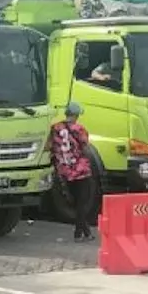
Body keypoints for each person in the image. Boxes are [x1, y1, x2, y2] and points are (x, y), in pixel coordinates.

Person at [49, 102, 96, 241]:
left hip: (64, 170)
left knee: (75, 202)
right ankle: (78, 233)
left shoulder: (55, 128)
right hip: (80, 170)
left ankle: (86, 232)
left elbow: (50, 146)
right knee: (83, 202)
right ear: (76, 115)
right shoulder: (79, 129)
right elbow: (85, 146)